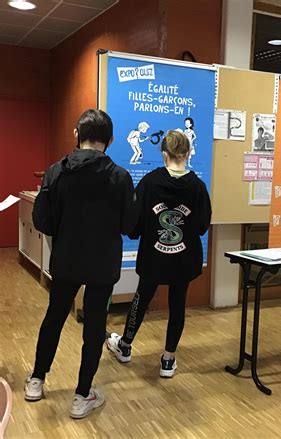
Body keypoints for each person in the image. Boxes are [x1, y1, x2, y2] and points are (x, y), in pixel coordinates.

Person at [25, 109, 137, 418]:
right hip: (103, 262)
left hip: (66, 258)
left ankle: (37, 379)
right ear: (111, 139)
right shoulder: (120, 176)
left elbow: (42, 220)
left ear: (77, 134)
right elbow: (130, 224)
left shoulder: (55, 172)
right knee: (95, 325)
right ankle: (82, 396)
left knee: (54, 318)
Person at [106, 130, 211, 378]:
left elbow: (135, 221)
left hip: (153, 256)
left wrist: (142, 232)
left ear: (164, 154)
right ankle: (168, 359)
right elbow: (203, 224)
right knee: (177, 304)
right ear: (187, 153)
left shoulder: (150, 182)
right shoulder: (197, 186)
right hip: (184, 258)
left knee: (141, 299)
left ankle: (125, 345)